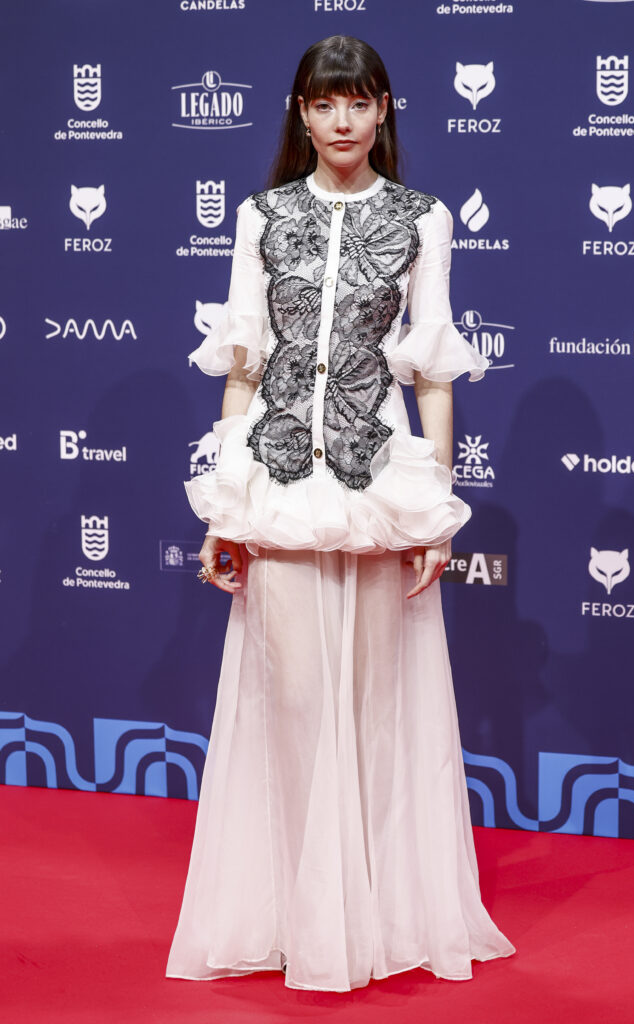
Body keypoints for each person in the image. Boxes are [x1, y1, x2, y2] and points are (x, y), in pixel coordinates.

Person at [166, 34, 515, 992]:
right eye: (324, 104)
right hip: (278, 482)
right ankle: (296, 916)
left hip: (376, 486)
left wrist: (434, 514)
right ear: (301, 113)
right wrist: (222, 509)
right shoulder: (262, 216)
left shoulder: (422, 217)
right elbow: (243, 367)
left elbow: (432, 373)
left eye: (359, 102)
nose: (342, 121)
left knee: (371, 708)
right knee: (291, 701)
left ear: (384, 109)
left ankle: (367, 918)